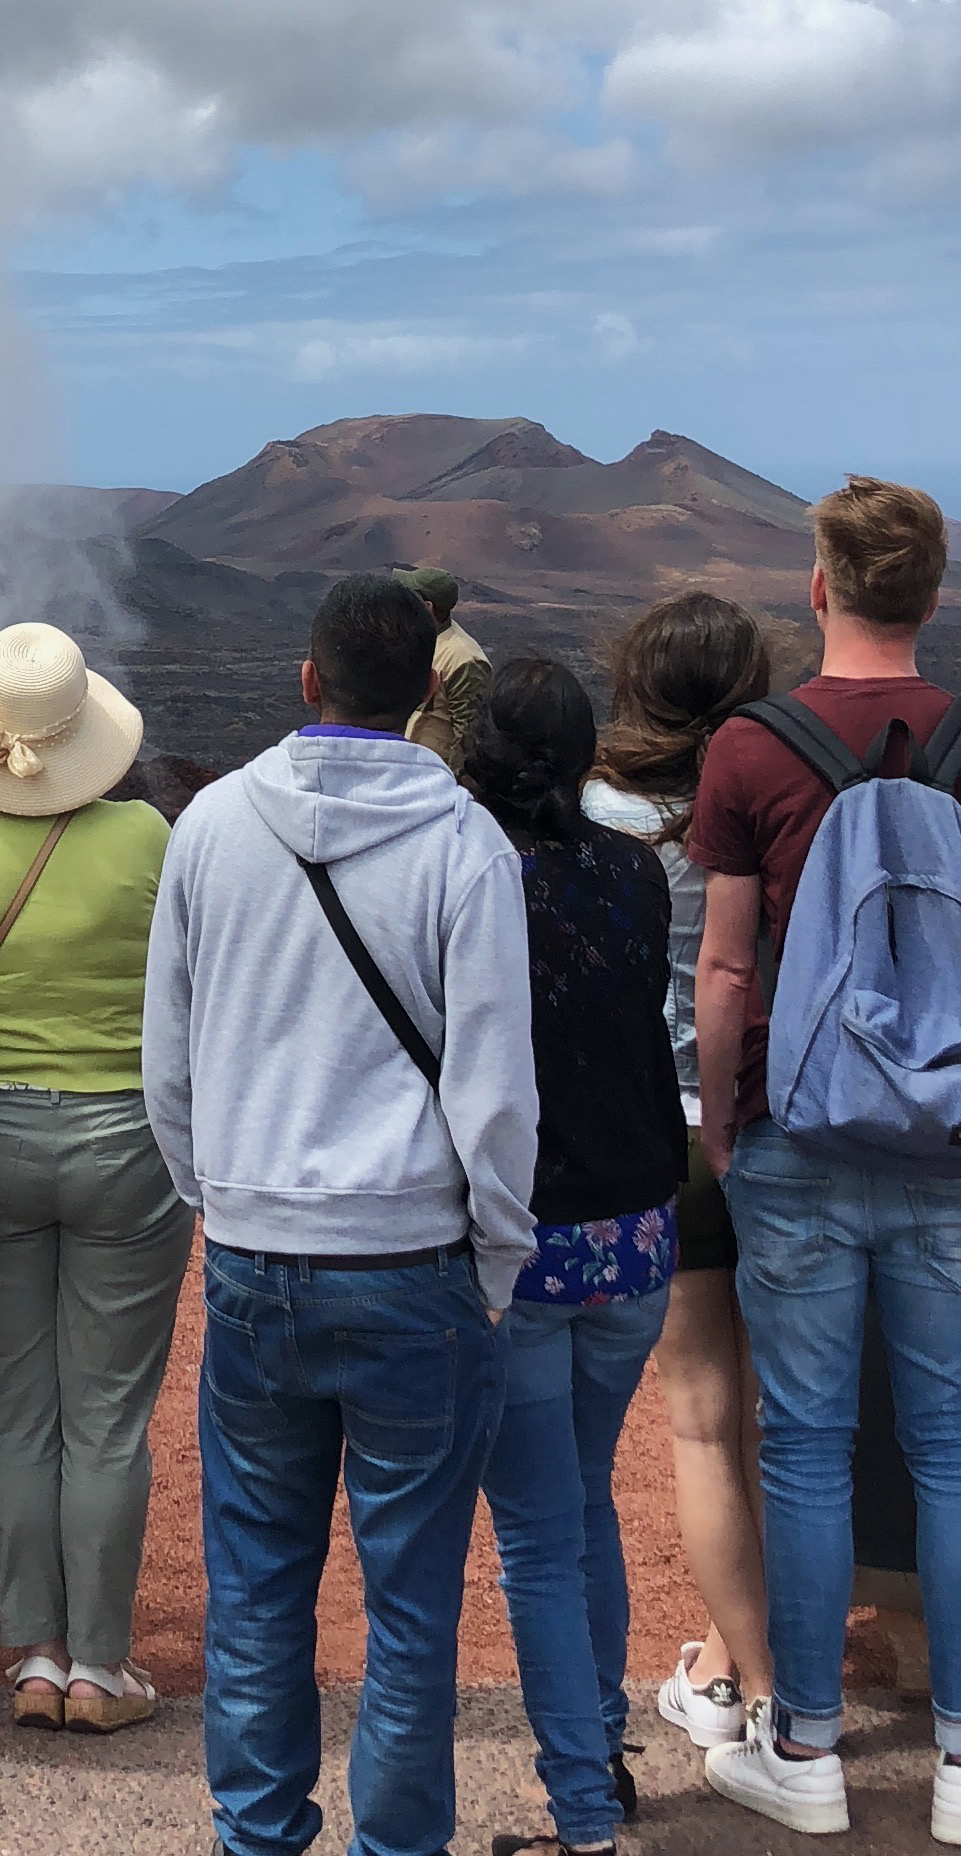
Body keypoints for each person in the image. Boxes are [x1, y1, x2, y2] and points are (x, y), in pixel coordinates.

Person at [144, 570, 538, 1856]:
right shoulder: (468, 847)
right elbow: (496, 1093)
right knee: (413, 1605)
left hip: (257, 1254)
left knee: (256, 1587)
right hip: (417, 1262)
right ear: (426, 691)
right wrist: (495, 1262)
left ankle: (257, 1835)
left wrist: (222, 1195)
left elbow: (169, 1063)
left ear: (308, 680)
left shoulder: (210, 826)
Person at [693, 474, 961, 1846]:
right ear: (936, 594)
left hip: (797, 1131)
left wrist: (723, 1119)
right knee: (953, 1433)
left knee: (803, 1440)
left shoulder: (750, 748)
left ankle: (807, 1751)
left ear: (820, 587)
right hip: (954, 1143)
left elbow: (728, 967)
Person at [0, 621, 189, 1736]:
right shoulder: (148, 837)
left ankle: (36, 1655)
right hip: (129, 1145)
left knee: (15, 1400)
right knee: (109, 1416)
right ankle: (101, 1669)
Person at [466, 654, 690, 1856]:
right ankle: (600, 1743)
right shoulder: (635, 869)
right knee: (583, 1497)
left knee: (538, 1533)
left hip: (524, 1243)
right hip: (637, 1235)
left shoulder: (472, 875)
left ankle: (584, 1814)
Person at [581, 590, 778, 1764]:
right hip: (782, 1127)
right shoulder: (781, 797)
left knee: (704, 1427)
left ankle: (742, 1682)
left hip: (668, 1137)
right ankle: (742, 1658)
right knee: (774, 1422)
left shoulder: (598, 809)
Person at [398, 564, 492, 773]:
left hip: (435, 776)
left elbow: (469, 735)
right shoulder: (422, 641)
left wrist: (453, 781)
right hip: (411, 771)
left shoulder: (464, 658)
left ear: (428, 607)